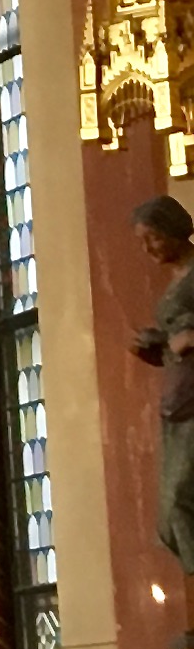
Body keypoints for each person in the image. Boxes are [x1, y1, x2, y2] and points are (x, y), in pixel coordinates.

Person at [135, 197, 194, 624]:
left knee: (181, 501)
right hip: (179, 402)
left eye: (153, 237)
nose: (148, 249)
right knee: (169, 514)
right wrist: (158, 344)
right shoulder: (178, 279)